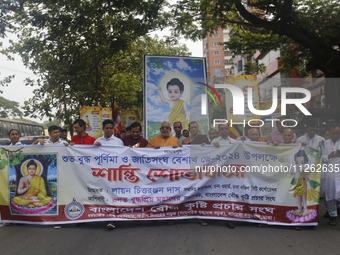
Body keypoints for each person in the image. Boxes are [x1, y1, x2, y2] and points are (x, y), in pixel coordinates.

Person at [286, 150, 319, 215]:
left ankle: (305, 210)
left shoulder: (304, 173)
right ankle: (299, 209)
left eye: (302, 163)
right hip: (297, 187)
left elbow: (306, 180)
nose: (299, 165)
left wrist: (309, 186)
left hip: (303, 187)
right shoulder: (296, 172)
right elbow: (289, 169)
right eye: (297, 162)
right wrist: (287, 162)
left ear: (306, 164)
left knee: (304, 199)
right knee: (298, 200)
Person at [321, 123, 340, 226]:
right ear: (329, 133)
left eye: (338, 133)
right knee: (330, 195)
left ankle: (337, 210)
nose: (336, 135)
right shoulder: (324, 143)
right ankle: (333, 216)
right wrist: (329, 156)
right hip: (329, 174)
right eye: (333, 133)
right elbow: (321, 158)